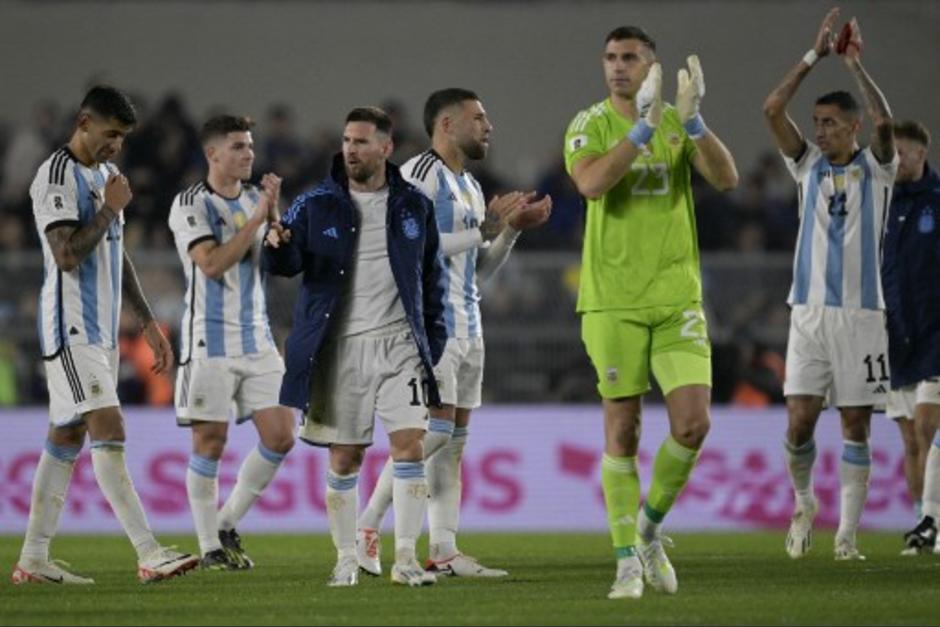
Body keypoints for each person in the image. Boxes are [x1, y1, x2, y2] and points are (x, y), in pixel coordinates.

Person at [564, 26, 738, 600]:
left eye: (630, 58)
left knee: (693, 424)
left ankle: (648, 529)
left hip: (676, 296)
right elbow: (591, 184)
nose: (618, 67)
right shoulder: (589, 123)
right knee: (624, 430)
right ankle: (624, 563)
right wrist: (641, 128)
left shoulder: (676, 123)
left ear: (652, 66)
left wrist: (692, 122)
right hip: (613, 299)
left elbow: (726, 178)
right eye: (611, 57)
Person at [356, 88, 551, 578]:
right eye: (479, 117)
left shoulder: (468, 185)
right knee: (436, 434)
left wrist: (510, 231)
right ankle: (367, 523)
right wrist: (485, 228)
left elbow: (477, 268)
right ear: (446, 125)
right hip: (431, 324)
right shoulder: (419, 175)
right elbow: (408, 245)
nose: (489, 126)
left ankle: (443, 549)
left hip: (469, 323)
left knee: (453, 444)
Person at [13, 86, 199, 585]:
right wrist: (110, 210)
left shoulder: (108, 176)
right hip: (70, 327)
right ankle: (148, 551)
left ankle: (33, 559)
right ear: (83, 122)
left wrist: (148, 323)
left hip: (102, 334)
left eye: (123, 137)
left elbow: (116, 256)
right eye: (111, 134)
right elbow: (67, 255)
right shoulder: (54, 175)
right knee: (108, 428)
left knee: (66, 435)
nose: (117, 145)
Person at [262, 106, 448, 587]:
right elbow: (285, 263)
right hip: (340, 347)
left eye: (362, 141)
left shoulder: (413, 205)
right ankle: (346, 557)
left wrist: (434, 338)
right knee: (345, 458)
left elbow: (432, 278)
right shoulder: (316, 203)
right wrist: (277, 244)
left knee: (409, 446)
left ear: (386, 148)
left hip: (399, 344)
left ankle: (405, 558)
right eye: (347, 140)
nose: (351, 149)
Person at [762, 8, 898, 561]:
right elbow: (772, 109)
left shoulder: (878, 167)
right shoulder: (806, 166)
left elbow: (887, 123)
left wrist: (854, 66)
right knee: (798, 420)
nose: (818, 130)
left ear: (852, 127)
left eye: (829, 123)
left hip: (864, 315)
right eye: (815, 121)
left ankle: (847, 537)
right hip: (810, 314)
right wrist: (813, 56)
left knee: (855, 424)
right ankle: (802, 502)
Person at [167, 115, 296, 570]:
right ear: (212, 154)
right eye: (239, 146)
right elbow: (212, 264)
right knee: (210, 441)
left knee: (282, 437)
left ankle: (225, 522)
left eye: (251, 147)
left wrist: (277, 222)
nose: (249, 154)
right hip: (211, 341)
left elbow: (280, 261)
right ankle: (208, 548)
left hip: (257, 338)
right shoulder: (190, 204)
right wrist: (258, 219)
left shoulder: (255, 202)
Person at [881, 120, 940, 555]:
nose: (896, 160)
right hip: (893, 337)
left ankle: (933, 520)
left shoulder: (938, 202)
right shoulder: (879, 202)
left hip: (936, 333)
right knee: (910, 438)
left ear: (922, 154)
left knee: (929, 424)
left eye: (903, 152)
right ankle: (924, 520)